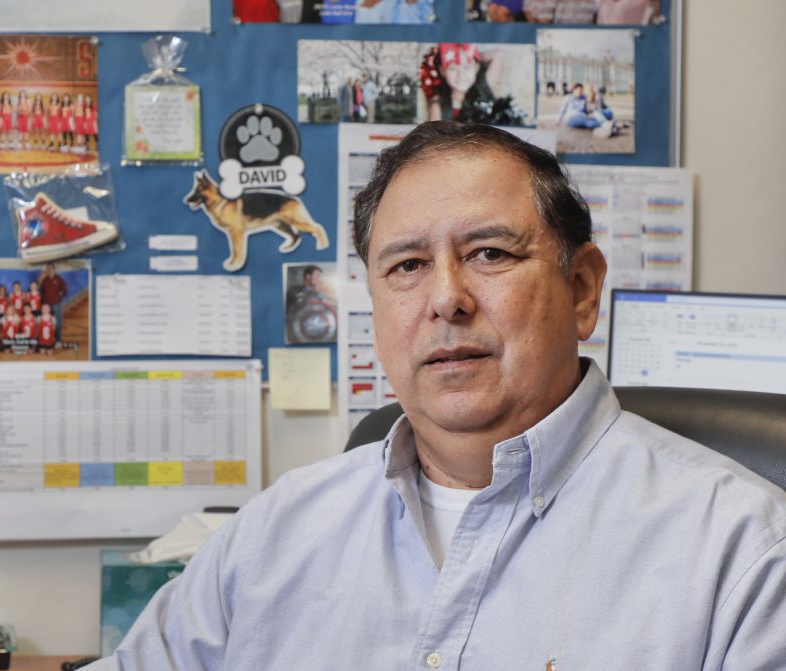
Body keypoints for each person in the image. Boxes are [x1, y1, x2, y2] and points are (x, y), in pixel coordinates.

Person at [93, 122, 786, 669]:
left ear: (581, 290)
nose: (446, 299)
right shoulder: (272, 534)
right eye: (408, 265)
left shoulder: (746, 554)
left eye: (490, 253)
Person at [420, 43, 527, 126]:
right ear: (443, 71)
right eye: (452, 68)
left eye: (466, 67)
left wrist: (468, 54)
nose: (461, 75)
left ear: (476, 67)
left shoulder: (484, 88)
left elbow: (498, 55)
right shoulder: (438, 105)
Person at [39, 263, 67, 339]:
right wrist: (43, 304)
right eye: (48, 269)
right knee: (48, 322)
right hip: (47, 305)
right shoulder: (44, 280)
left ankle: (58, 338)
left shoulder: (59, 279)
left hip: (56, 304)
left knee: (58, 321)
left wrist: (60, 297)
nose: (49, 270)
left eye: (51, 268)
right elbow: (41, 292)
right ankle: (50, 338)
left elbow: (64, 290)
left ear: (54, 269)